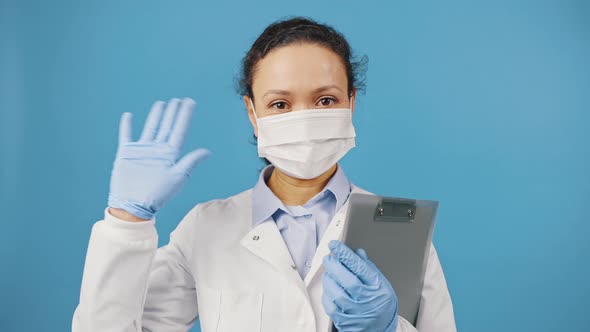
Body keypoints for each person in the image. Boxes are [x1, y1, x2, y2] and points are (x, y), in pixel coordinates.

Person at [72, 16, 456, 332]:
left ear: (351, 103)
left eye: (325, 100)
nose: (303, 119)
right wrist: (127, 222)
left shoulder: (400, 231)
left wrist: (389, 329)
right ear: (252, 113)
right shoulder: (205, 228)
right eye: (279, 104)